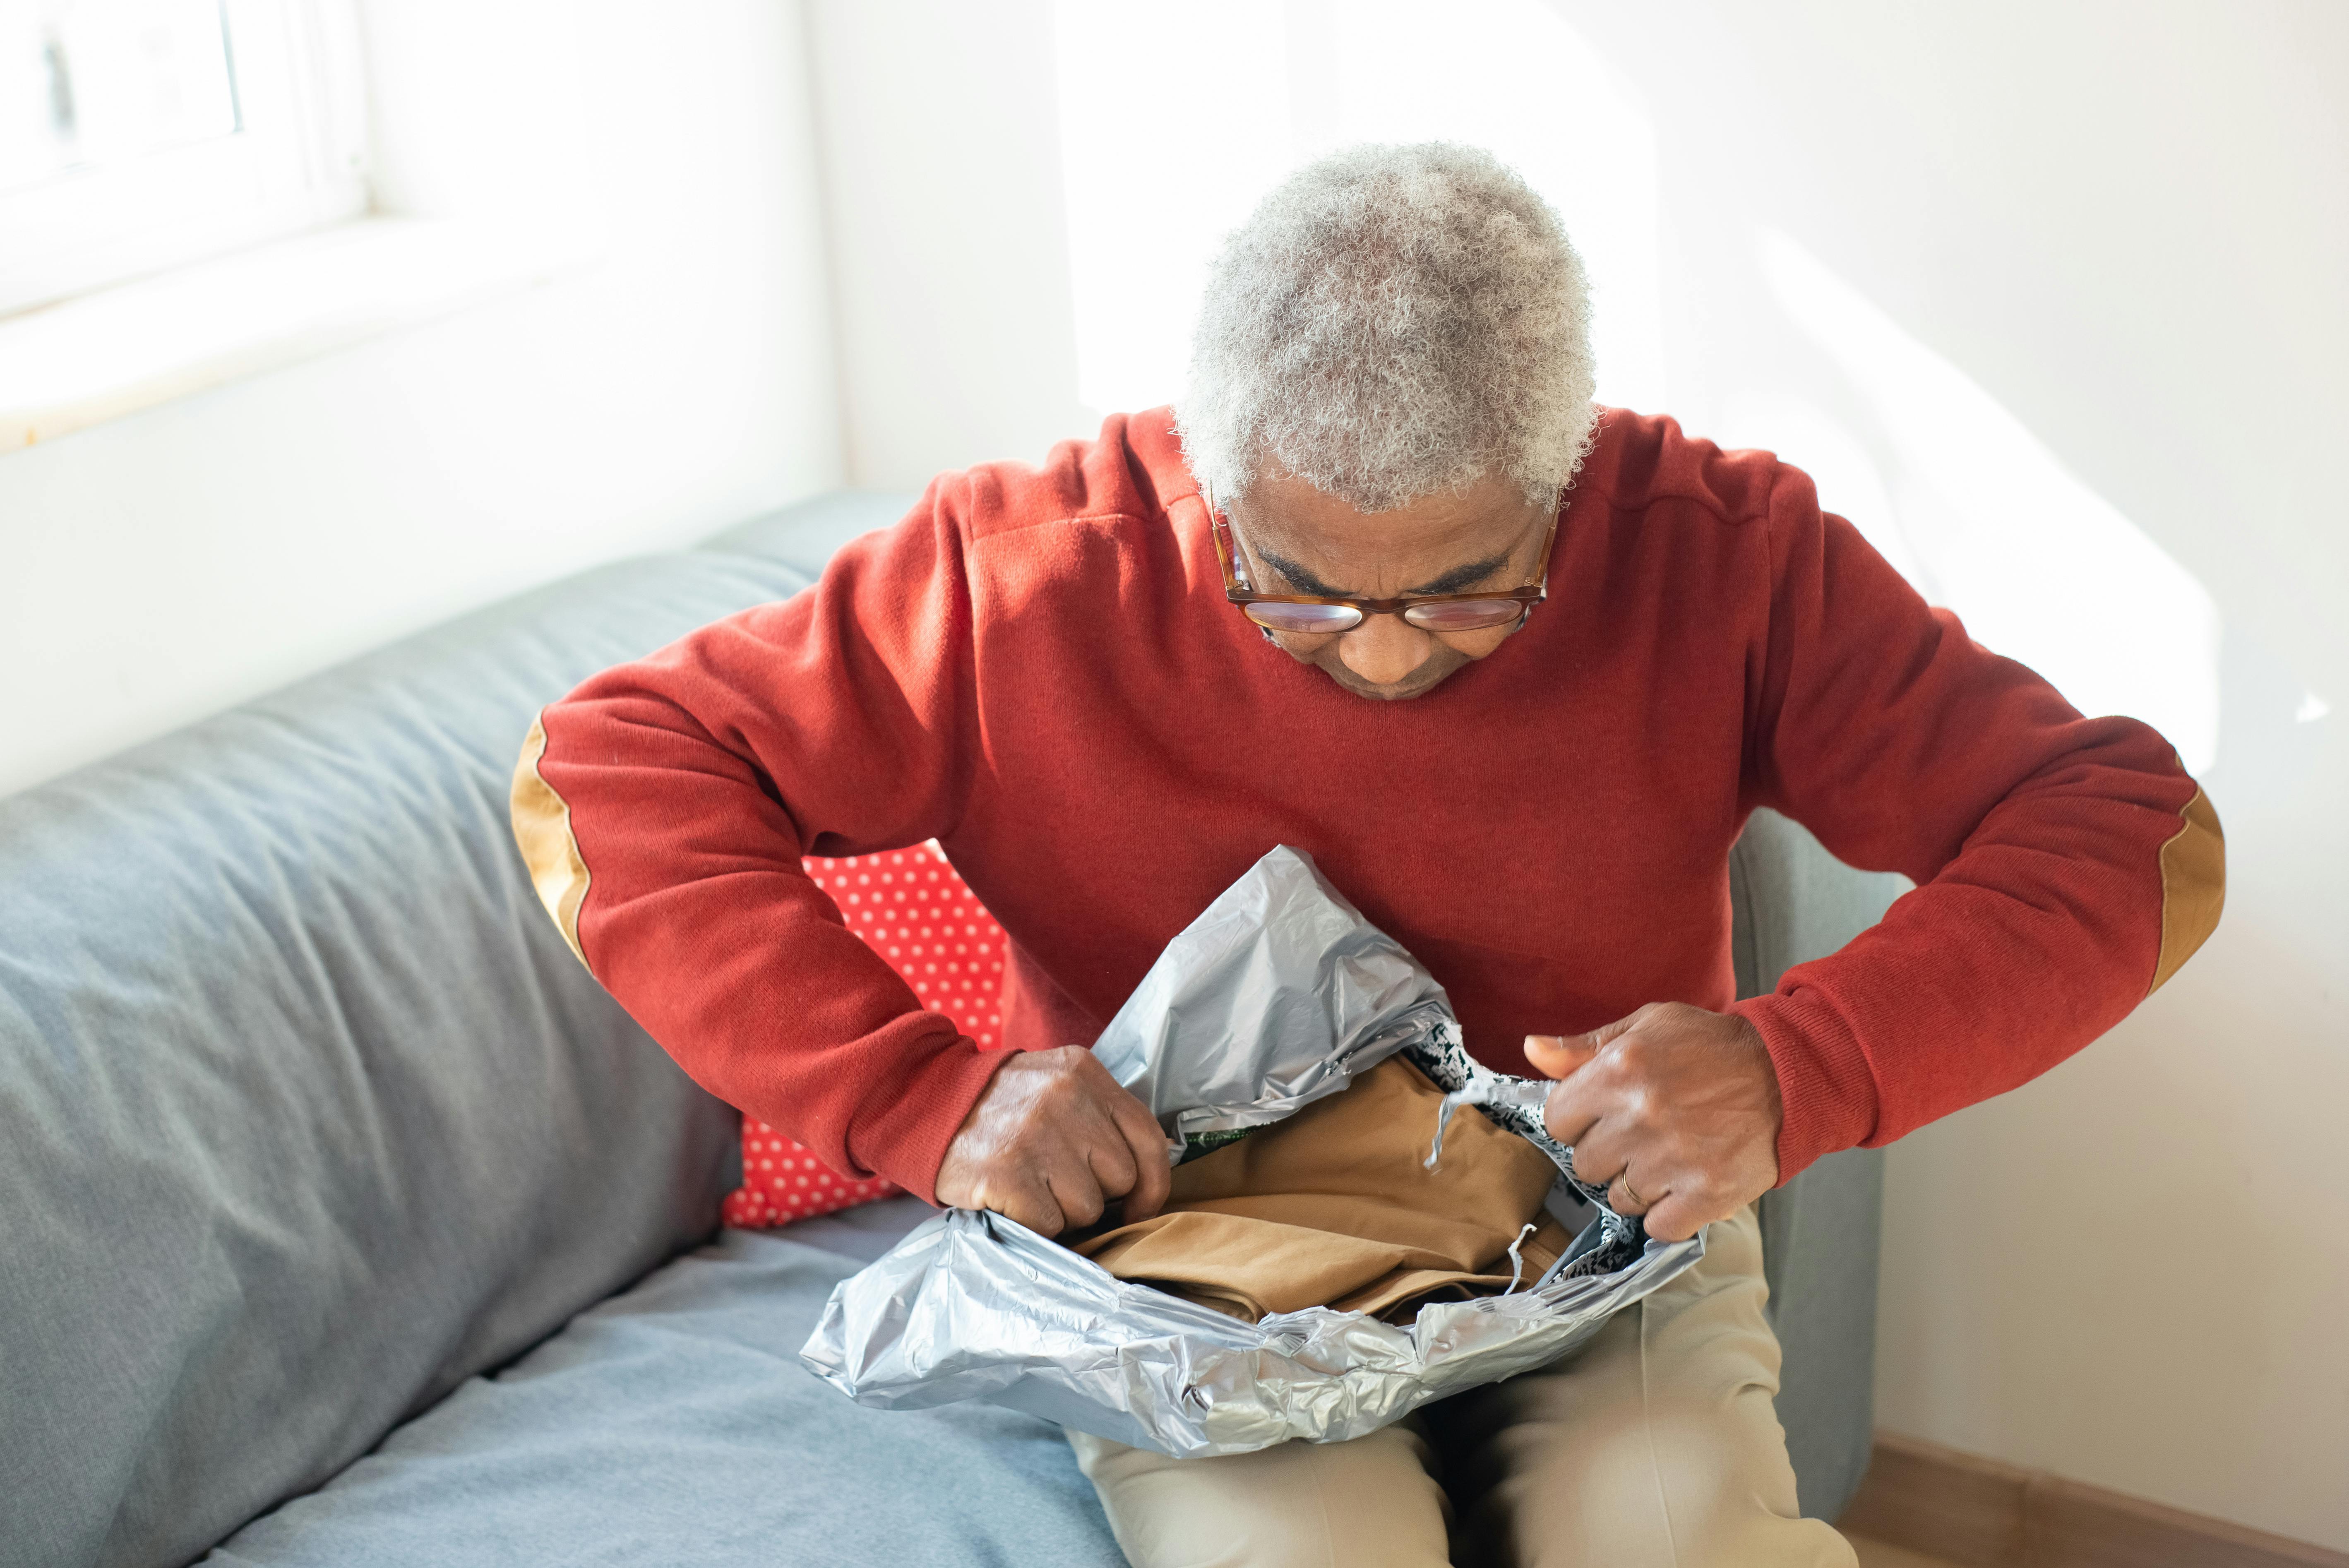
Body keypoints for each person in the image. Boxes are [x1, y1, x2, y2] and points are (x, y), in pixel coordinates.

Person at [509, 142, 2223, 1566]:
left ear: (1571, 467)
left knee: (1676, 1540)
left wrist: (1801, 1064)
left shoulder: (1724, 554)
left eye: (1473, 586)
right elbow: (605, 775)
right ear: (1215, 462)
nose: (1388, 655)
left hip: (1603, 1229)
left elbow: (2134, 836)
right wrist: (928, 1098)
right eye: (1297, 586)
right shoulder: (1023, 573)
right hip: (1186, 1256)